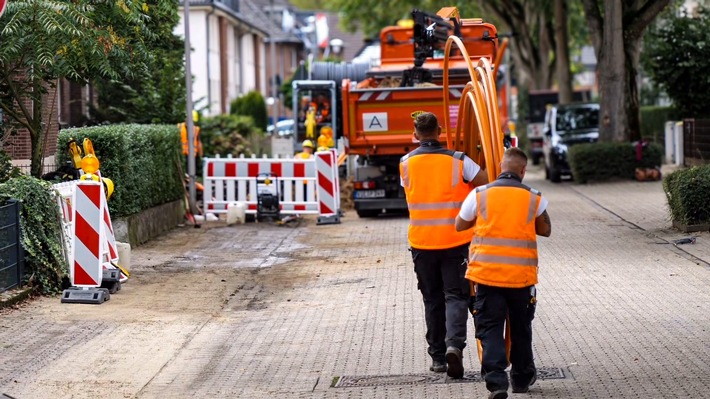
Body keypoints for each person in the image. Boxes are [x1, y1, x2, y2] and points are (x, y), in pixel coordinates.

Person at [455, 147, 552, 399]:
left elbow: (459, 224)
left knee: (490, 328)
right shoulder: (534, 197)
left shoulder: (479, 194)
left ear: (500, 167)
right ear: (523, 170)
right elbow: (545, 230)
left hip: (487, 276)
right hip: (521, 278)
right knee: (521, 328)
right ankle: (521, 379)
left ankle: (497, 382)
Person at [399, 112, 488, 378]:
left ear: (415, 134)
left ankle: (438, 357)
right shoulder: (460, 160)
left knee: (432, 299)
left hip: (422, 243)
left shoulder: (405, 163)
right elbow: (485, 188)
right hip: (455, 241)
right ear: (440, 130)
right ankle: (454, 346)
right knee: (456, 296)